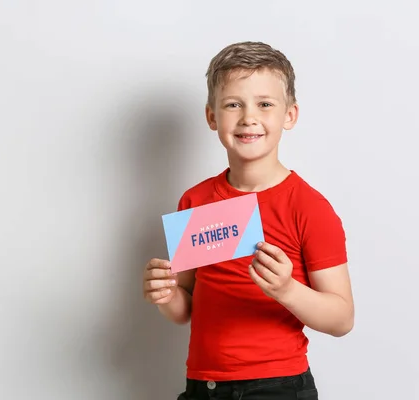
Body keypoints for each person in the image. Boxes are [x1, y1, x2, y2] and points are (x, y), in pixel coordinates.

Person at [142, 41, 354, 400]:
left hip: (278, 386)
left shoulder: (309, 207)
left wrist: (287, 290)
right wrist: (165, 295)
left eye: (265, 104)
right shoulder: (195, 200)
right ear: (212, 117)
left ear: (290, 115)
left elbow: (342, 319)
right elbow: (185, 309)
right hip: (203, 386)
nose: (248, 117)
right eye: (233, 104)